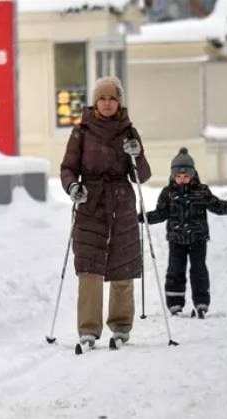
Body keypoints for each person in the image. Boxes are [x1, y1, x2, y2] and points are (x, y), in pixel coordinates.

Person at [61, 76, 151, 348]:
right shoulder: (81, 132)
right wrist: (73, 187)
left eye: (112, 98)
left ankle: (121, 325)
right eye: (102, 98)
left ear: (119, 101)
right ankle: (88, 328)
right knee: (89, 268)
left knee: (122, 266)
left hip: (121, 204)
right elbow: (67, 169)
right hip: (91, 204)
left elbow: (142, 176)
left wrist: (136, 155)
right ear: (95, 101)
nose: (107, 103)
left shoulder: (129, 132)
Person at [139, 147, 227, 318]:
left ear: (192, 174)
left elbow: (215, 205)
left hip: (198, 238)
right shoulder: (168, 193)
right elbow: (161, 214)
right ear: (173, 175)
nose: (182, 179)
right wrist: (144, 218)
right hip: (176, 239)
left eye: (186, 176)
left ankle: (201, 303)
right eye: (179, 176)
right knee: (175, 270)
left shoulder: (201, 191)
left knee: (198, 270)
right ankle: (175, 304)